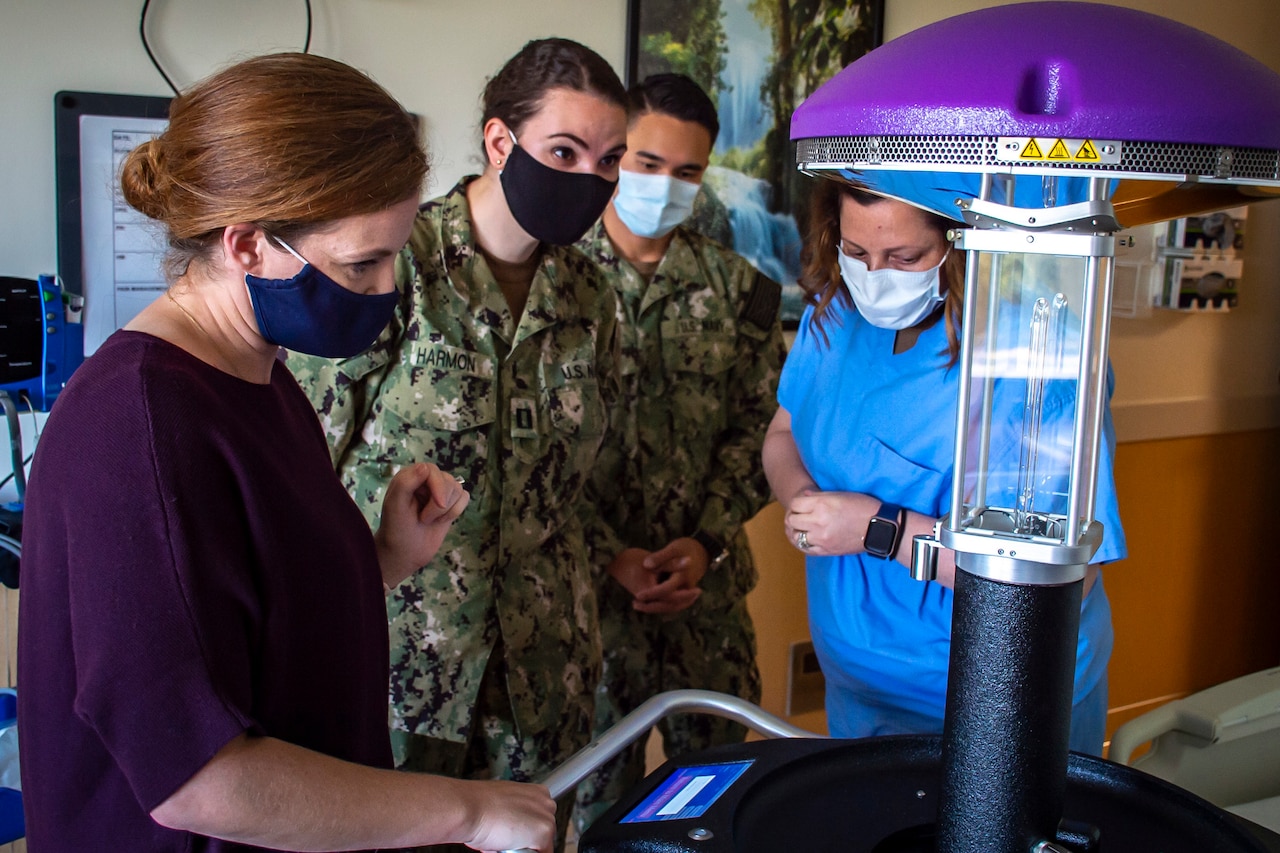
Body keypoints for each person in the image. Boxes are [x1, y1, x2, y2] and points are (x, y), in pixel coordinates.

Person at [15, 53, 555, 853]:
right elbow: (196, 778)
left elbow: (242, 626)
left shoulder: (258, 377)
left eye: (394, 258)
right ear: (245, 244)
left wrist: (382, 559)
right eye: (359, 264)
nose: (384, 290)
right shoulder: (137, 424)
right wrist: (466, 810)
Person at [287, 38, 627, 849]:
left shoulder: (592, 296)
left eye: (610, 159)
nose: (591, 178)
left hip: (547, 671)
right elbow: (303, 459)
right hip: (407, 665)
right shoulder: (391, 264)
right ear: (500, 143)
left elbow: (587, 480)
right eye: (565, 151)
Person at [762, 179, 1126, 755]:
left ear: (961, 244)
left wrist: (878, 529)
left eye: (904, 258)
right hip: (858, 683)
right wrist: (804, 501)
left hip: (993, 694)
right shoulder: (832, 316)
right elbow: (784, 432)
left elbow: (1064, 580)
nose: (874, 276)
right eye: (856, 253)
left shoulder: (1032, 356)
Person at [570, 73, 784, 831]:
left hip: (707, 595)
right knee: (596, 801)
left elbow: (761, 428)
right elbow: (532, 452)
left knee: (721, 798)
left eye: (688, 172)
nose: (666, 186)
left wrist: (707, 541)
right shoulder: (556, 278)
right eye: (647, 163)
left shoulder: (739, 290)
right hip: (587, 601)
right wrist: (609, 554)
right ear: (614, 156)